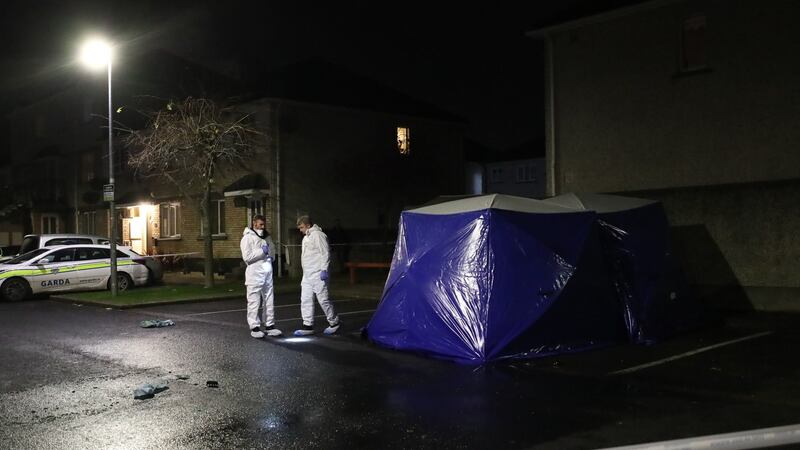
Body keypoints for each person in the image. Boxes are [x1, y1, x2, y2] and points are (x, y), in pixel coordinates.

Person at [294, 215, 340, 336]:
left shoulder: (318, 235)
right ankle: (307, 325)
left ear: (308, 225)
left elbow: (325, 252)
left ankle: (334, 322)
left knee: (323, 299)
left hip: (318, 274)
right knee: (306, 300)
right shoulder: (306, 238)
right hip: (308, 274)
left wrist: (324, 269)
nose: (300, 230)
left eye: (301, 227)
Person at [240, 215, 282, 338]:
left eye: (264, 224)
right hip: (254, 273)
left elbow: (272, 250)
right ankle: (255, 327)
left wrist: (270, 255)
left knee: (269, 299)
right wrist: (261, 252)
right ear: (254, 224)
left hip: (267, 272)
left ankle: (269, 325)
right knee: (254, 300)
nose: (263, 227)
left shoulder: (266, 237)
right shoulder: (247, 238)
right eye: (260, 224)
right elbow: (247, 257)